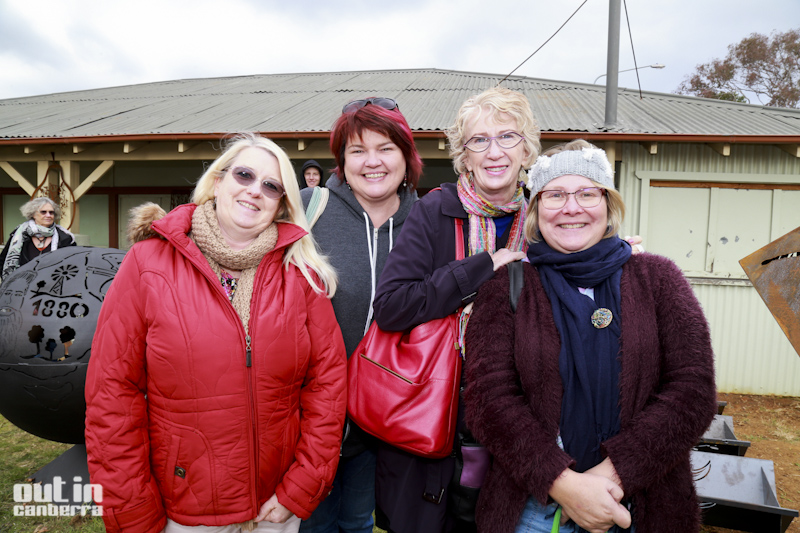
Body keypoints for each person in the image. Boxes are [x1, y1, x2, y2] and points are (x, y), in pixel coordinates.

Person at [85, 133, 347, 533]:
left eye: (271, 185)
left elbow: (327, 387)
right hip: (183, 511)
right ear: (218, 181)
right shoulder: (148, 263)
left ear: (282, 204)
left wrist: (301, 487)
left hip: (274, 509)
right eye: (244, 175)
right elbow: (112, 394)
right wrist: (133, 511)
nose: (255, 191)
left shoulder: (301, 275)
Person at [463, 140, 716, 533]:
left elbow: (692, 389)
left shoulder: (658, 279)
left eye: (586, 193)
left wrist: (610, 478)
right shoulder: (507, 288)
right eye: (555, 195)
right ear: (535, 210)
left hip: (641, 505)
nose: (571, 207)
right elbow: (488, 399)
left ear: (608, 204)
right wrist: (563, 484)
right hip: (534, 512)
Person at [371, 86, 540, 533]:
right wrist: (481, 267)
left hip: (520, 417)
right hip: (438, 418)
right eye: (478, 140)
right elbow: (390, 307)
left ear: (527, 149)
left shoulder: (548, 216)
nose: (494, 151)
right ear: (464, 156)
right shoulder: (435, 211)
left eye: (507, 136)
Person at [298, 97, 421, 533]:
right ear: (341, 160)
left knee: (356, 523)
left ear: (406, 156)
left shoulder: (427, 221)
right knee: (309, 525)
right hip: (306, 419)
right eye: (357, 150)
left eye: (385, 148)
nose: (373, 162)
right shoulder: (308, 209)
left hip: (382, 422)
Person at [0, 197, 76, 280]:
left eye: (51, 212)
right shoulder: (19, 234)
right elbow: (3, 260)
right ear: (33, 214)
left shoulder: (65, 237)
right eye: (43, 212)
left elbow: (74, 264)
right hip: (23, 287)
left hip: (54, 288)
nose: (48, 215)